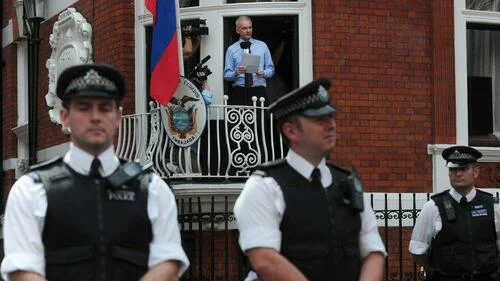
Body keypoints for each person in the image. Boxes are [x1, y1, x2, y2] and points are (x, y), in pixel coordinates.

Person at [0, 63, 190, 281]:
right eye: (83, 107)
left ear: (118, 117)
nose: (95, 117)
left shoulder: (152, 188)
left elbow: (169, 264)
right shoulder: (31, 189)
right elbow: (22, 270)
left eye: (105, 107)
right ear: (64, 116)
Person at [233, 78, 386, 281]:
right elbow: (264, 259)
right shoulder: (265, 186)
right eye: (320, 120)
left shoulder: (348, 183)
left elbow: (373, 251)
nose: (331, 125)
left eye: (331, 117)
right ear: (291, 131)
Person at [409, 145, 500, 281]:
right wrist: (440, 271)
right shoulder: (433, 207)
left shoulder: (493, 206)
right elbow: (417, 251)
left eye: (463, 169)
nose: (457, 174)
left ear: (475, 172)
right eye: (453, 169)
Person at [223, 16, 275, 105]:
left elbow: (271, 69)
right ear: (237, 30)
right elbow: (227, 75)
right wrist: (236, 72)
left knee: (260, 118)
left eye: (250, 27)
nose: (248, 30)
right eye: (244, 28)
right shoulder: (231, 49)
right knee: (240, 119)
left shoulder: (262, 46)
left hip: (258, 90)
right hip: (239, 91)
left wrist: (264, 73)